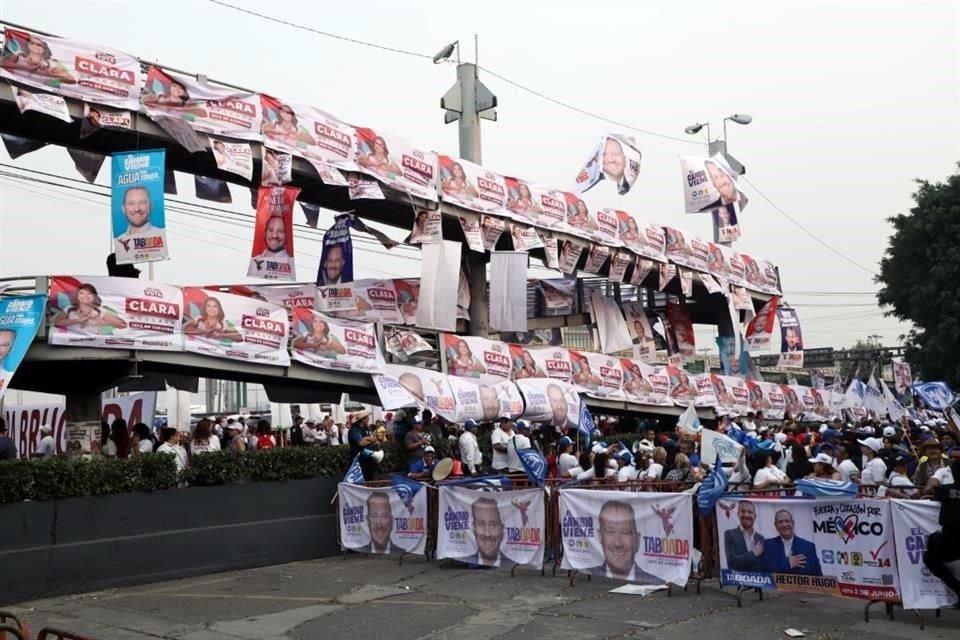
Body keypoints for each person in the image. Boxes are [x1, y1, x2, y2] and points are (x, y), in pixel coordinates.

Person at [921, 446, 960, 602]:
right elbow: (930, 486)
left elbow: (930, 492)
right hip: (951, 538)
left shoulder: (945, 490)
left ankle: (958, 589)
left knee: (930, 558)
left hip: (951, 538)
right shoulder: (944, 484)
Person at [590, 500, 660, 582]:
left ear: (637, 540)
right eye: (610, 532)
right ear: (600, 536)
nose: (617, 543)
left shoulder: (655, 582)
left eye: (625, 532)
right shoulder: (587, 577)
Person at [761, 509, 822, 576]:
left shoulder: (809, 547)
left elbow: (818, 576)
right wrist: (787, 563)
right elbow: (764, 570)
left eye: (787, 521)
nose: (784, 524)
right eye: (780, 522)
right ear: (775, 525)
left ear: (793, 523)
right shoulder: (768, 545)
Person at [1, 33, 76, 83]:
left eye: (39, 45)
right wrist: (26, 67)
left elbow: (72, 80)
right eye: (32, 43)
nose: (35, 46)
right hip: (15, 86)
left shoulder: (51, 64)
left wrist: (50, 74)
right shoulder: (17, 58)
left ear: (44, 48)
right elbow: (2, 64)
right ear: (28, 45)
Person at [52, 283, 126, 333]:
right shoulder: (69, 309)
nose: (85, 296)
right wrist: (77, 320)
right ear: (77, 295)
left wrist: (105, 323)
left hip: (93, 345)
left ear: (94, 296)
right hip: (70, 344)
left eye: (89, 293)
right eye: (81, 293)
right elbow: (57, 322)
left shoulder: (100, 311)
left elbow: (123, 325)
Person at [113, 186, 161, 259]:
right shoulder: (119, 242)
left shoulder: (160, 234)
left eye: (142, 203)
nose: (137, 209)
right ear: (123, 209)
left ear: (150, 207)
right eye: (131, 203)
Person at [724, 500, 765, 572]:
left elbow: (763, 564)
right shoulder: (729, 534)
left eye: (750, 512)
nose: (746, 515)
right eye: (743, 511)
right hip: (737, 581)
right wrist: (753, 554)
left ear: (755, 516)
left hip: (757, 581)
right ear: (738, 514)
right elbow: (731, 562)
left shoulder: (761, 538)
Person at [469, 497, 504, 567]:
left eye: (493, 525)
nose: (487, 534)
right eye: (481, 524)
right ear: (473, 527)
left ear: (502, 529)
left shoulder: (512, 563)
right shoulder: (465, 559)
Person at [348, 410, 381, 481]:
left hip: (367, 458)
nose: (368, 419)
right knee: (362, 480)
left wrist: (367, 438)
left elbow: (372, 440)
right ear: (362, 419)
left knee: (370, 478)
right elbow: (361, 443)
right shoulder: (354, 430)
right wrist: (370, 439)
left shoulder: (366, 429)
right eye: (367, 417)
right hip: (359, 461)